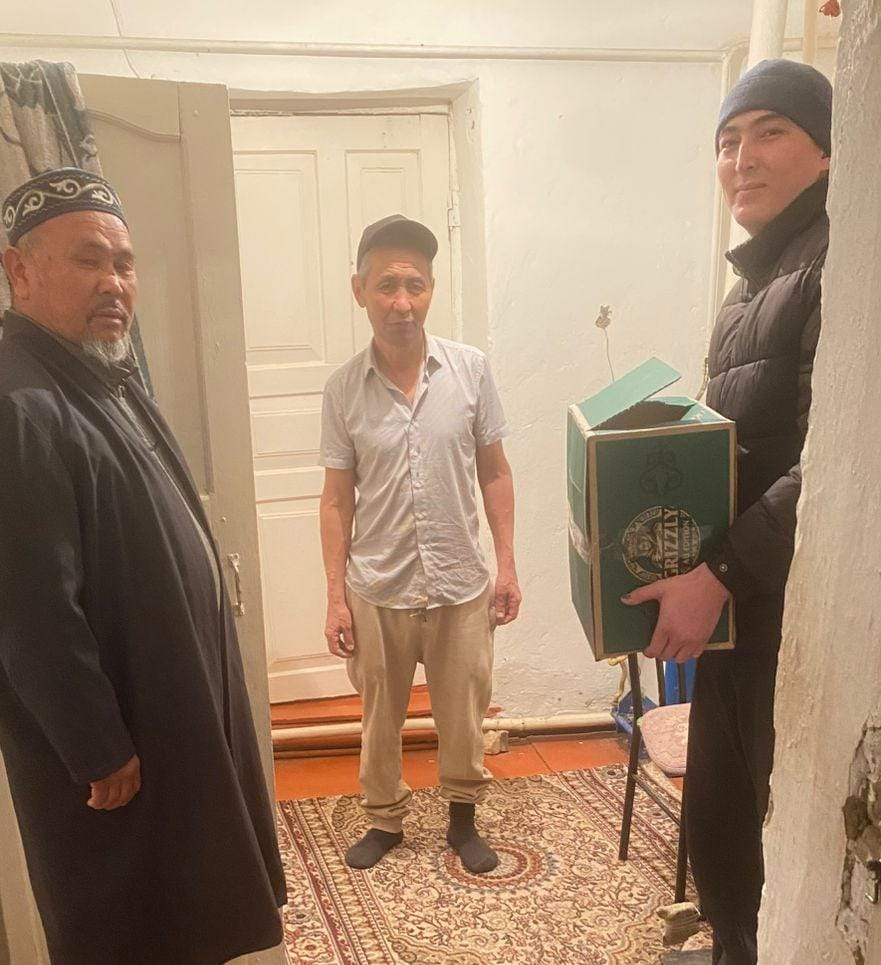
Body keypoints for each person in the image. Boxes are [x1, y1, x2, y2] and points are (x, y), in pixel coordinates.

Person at [0, 169, 287, 965]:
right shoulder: (20, 402)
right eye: (88, 260)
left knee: (190, 910)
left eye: (124, 264)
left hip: (167, 711)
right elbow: (28, 606)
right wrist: (95, 744)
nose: (114, 282)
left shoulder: (99, 375)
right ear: (19, 270)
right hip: (118, 748)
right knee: (132, 923)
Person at [622, 60, 832, 963]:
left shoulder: (839, 266)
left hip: (793, 622)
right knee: (723, 824)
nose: (741, 157)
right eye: (726, 140)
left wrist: (715, 572)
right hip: (740, 616)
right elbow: (739, 452)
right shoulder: (749, 285)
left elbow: (833, 464)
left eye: (770, 131)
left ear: (829, 152)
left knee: (786, 836)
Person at [319, 215, 521, 873]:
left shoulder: (470, 371)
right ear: (359, 290)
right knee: (380, 715)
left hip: (460, 581)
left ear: (430, 289)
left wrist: (506, 566)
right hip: (377, 586)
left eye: (415, 285)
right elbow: (336, 499)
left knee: (463, 710)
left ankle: (463, 818)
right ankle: (384, 819)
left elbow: (495, 473)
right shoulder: (343, 390)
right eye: (386, 286)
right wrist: (335, 597)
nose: (401, 302)